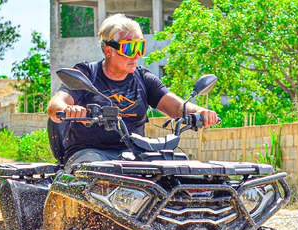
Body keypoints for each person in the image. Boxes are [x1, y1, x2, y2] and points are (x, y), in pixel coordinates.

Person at [46, 13, 219, 167]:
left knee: (181, 171)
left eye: (140, 47)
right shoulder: (87, 75)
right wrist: (69, 109)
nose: (136, 56)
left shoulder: (143, 78)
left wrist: (198, 111)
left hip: (134, 155)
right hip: (89, 153)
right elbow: (55, 106)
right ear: (108, 50)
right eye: (129, 48)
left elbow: (175, 106)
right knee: (101, 173)